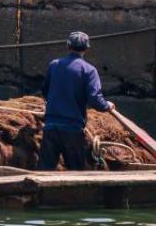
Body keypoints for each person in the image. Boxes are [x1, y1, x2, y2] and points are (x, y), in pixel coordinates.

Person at [39, 31, 114, 171]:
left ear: (68, 46)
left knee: (44, 171)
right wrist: (106, 106)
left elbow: (45, 91)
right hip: (72, 130)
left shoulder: (54, 65)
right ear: (86, 49)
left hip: (50, 127)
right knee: (76, 172)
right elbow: (94, 99)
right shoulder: (89, 70)